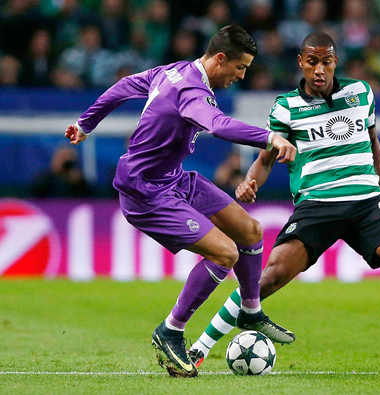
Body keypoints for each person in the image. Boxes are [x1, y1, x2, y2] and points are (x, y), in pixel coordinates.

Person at [189, 32, 380, 372]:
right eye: (312, 62)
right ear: (301, 63)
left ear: (335, 62)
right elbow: (267, 159)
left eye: (326, 62)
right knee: (267, 279)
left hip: (367, 203)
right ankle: (198, 349)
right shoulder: (287, 107)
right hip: (317, 206)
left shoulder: (361, 93)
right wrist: (249, 182)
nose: (319, 70)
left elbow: (373, 142)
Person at [64, 25, 297, 378]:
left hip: (173, 178)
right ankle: (170, 330)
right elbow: (218, 125)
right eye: (240, 67)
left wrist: (86, 124)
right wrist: (270, 138)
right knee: (225, 253)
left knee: (249, 231)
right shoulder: (191, 91)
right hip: (146, 191)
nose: (242, 75)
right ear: (220, 59)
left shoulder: (173, 71)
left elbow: (124, 86)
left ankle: (250, 310)